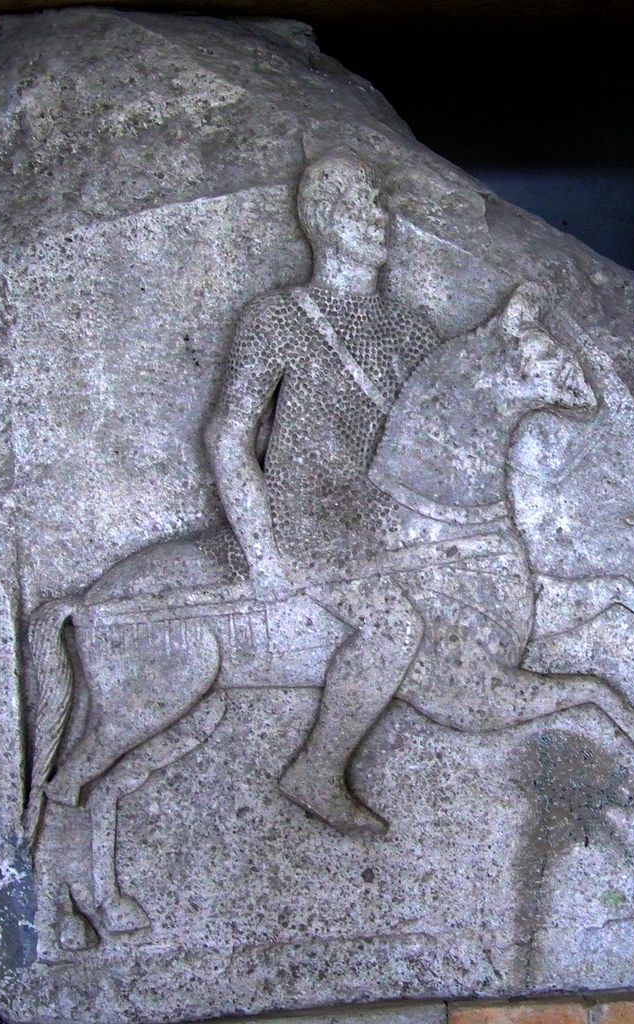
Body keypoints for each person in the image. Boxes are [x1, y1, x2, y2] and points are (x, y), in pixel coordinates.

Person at [205, 152, 442, 835]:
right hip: (310, 519)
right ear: (326, 219)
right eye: (365, 204)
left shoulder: (413, 329)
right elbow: (228, 438)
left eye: (380, 203)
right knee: (395, 625)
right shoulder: (277, 317)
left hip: (390, 523)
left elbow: (437, 441)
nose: (381, 218)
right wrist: (262, 553)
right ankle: (316, 767)